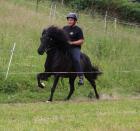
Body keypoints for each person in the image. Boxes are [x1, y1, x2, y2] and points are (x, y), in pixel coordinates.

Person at [63, 12, 84, 85]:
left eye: (71, 20)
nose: (69, 21)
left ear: (75, 21)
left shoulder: (78, 29)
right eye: (68, 20)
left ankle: (81, 77)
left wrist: (72, 43)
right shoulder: (64, 28)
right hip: (65, 48)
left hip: (75, 48)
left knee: (76, 59)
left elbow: (81, 40)